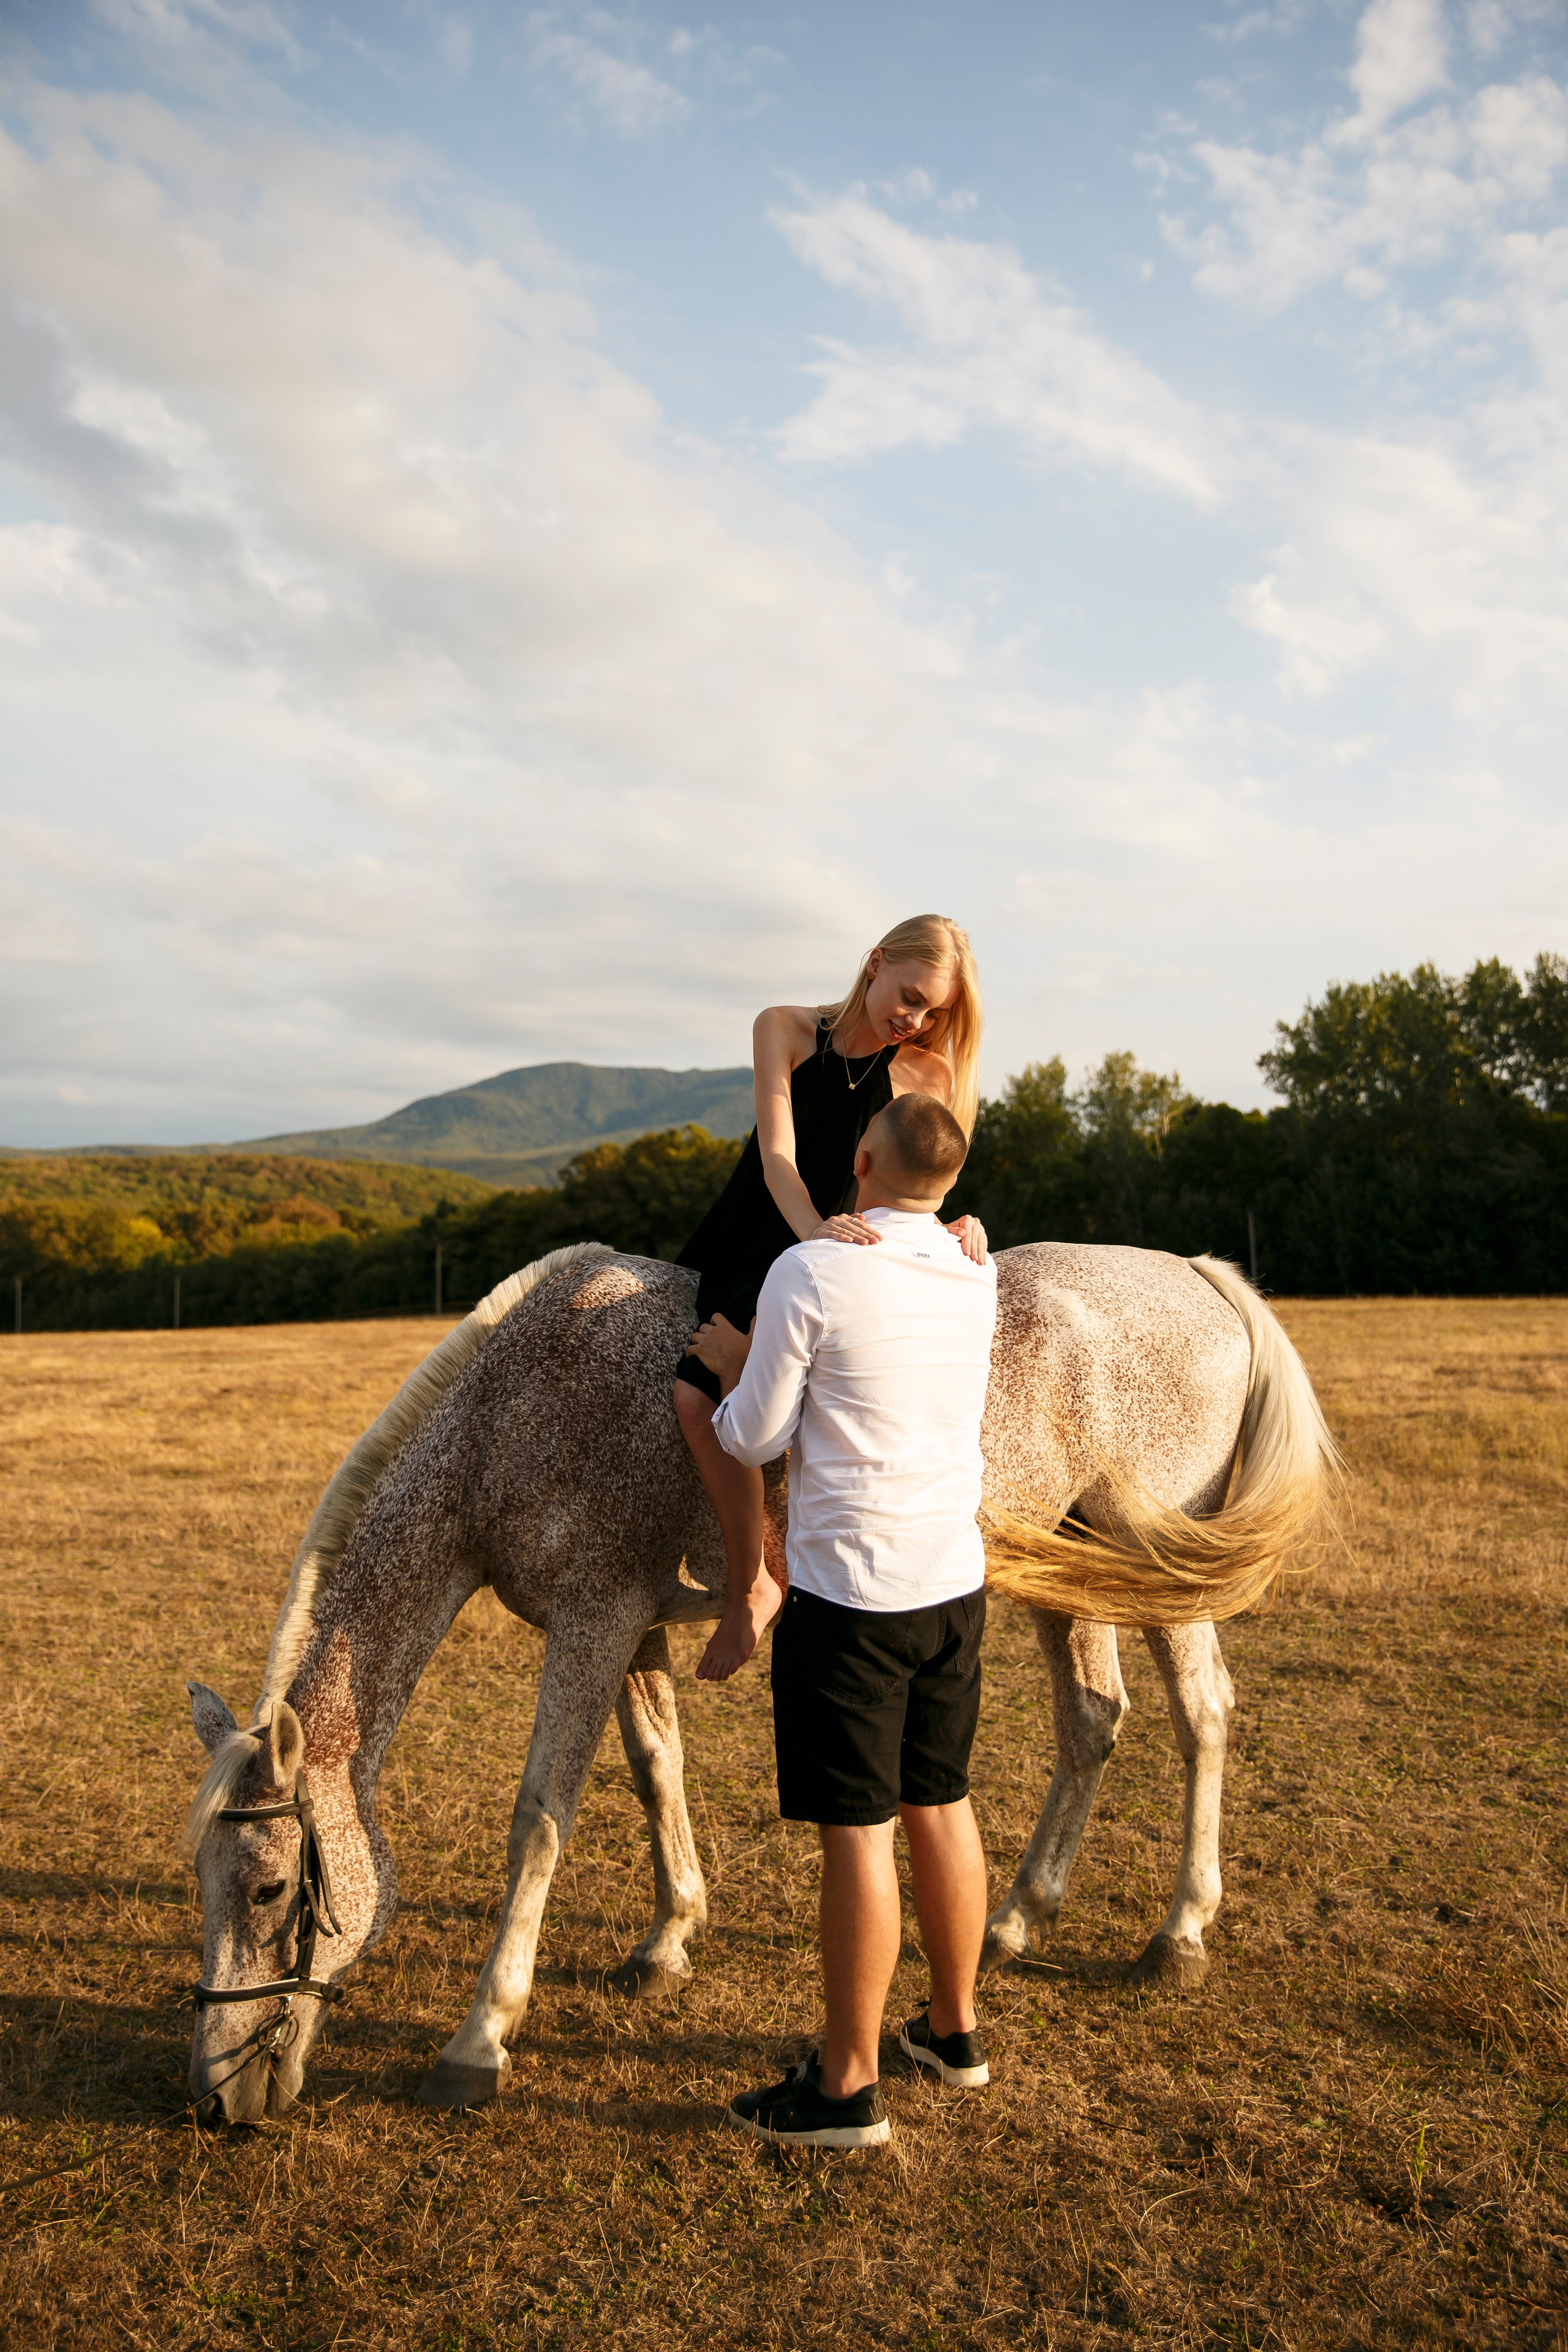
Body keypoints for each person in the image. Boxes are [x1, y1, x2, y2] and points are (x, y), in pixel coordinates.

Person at [697, 1091, 999, 2150]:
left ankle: (846, 2087)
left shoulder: (812, 1270)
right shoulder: (976, 1269)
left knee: (859, 1832)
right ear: (952, 1183)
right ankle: (953, 2033)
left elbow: (752, 1437)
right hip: (952, 1583)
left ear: (859, 1158)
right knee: (941, 1801)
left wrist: (734, 1372)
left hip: (853, 1594)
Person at [676, 914, 987, 1686]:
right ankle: (745, 1572)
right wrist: (815, 1231)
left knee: (705, 1393)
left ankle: (756, 1579)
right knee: (691, 1388)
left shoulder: (928, 1075)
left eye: (932, 1013)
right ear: (874, 963)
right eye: (909, 996)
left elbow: (922, 1177)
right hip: (762, 1234)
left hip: (836, 1261)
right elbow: (777, 1155)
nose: (912, 1020)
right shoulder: (782, 1029)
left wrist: (960, 1218)